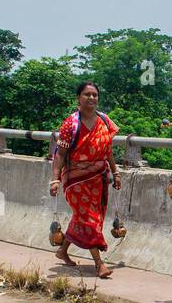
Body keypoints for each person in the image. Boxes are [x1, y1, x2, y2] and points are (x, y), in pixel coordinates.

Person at [49, 81, 120, 278]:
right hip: (76, 180)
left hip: (98, 179)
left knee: (84, 218)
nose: (91, 98)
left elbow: (108, 151)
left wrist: (116, 172)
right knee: (89, 219)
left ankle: (62, 251)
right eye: (87, 94)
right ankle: (99, 264)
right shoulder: (70, 124)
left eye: (94, 95)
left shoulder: (104, 121)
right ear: (78, 98)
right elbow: (60, 154)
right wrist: (55, 179)